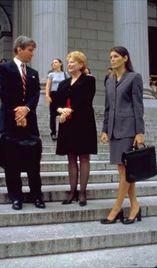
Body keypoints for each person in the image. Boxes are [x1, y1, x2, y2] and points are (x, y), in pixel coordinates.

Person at [0, 35, 45, 210]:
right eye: (30, 50)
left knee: (33, 163)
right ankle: (16, 197)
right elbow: (4, 93)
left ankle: (37, 196)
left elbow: (35, 95)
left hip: (29, 124)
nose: (32, 54)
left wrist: (26, 109)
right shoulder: (4, 69)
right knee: (12, 164)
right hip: (10, 122)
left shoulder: (33, 74)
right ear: (19, 50)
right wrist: (18, 113)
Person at [100, 46, 144, 224]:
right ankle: (134, 206)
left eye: (116, 56)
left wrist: (139, 131)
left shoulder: (134, 77)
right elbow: (107, 108)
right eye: (111, 56)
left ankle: (116, 209)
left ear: (125, 58)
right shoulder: (109, 81)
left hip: (128, 129)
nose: (112, 59)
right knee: (123, 170)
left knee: (125, 170)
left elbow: (138, 105)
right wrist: (104, 129)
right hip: (113, 129)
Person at [56, 51, 97, 206]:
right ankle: (72, 192)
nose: (69, 64)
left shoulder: (88, 80)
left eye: (73, 62)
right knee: (71, 158)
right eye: (69, 62)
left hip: (83, 123)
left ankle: (83, 193)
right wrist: (61, 110)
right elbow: (56, 103)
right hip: (67, 124)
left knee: (84, 157)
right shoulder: (63, 83)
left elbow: (86, 100)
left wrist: (69, 110)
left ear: (81, 64)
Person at [45, 59, 70, 141]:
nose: (54, 64)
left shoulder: (65, 74)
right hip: (54, 95)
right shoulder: (51, 74)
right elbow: (48, 86)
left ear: (60, 64)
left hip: (63, 95)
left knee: (63, 114)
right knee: (52, 114)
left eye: (56, 62)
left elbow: (69, 84)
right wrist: (47, 96)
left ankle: (63, 133)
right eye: (53, 62)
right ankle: (53, 133)